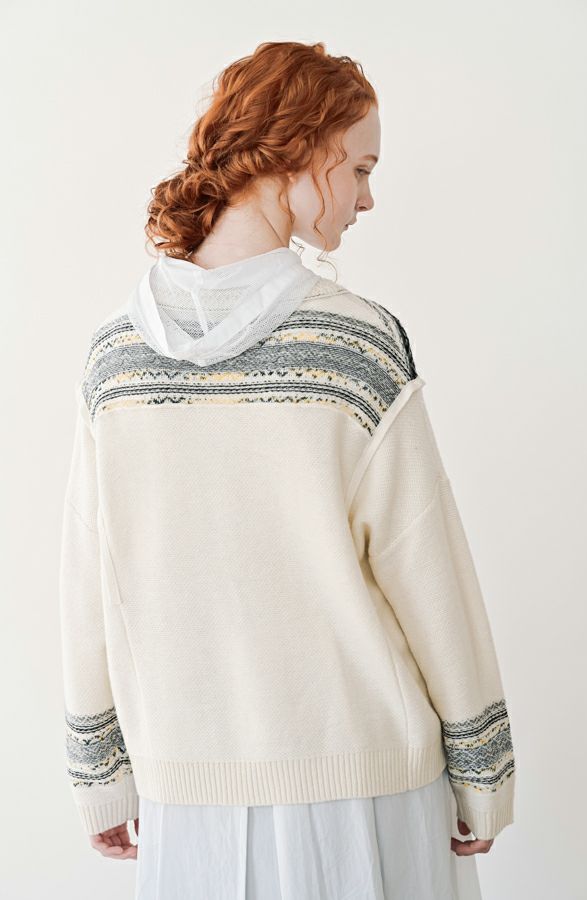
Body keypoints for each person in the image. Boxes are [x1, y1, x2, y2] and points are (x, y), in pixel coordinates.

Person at [59, 40, 516, 899]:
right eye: (360, 168)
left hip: (185, 796)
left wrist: (100, 774)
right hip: (368, 789)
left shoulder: (115, 357)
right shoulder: (355, 342)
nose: (368, 198)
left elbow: (91, 576)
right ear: (299, 153)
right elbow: (427, 567)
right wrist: (484, 770)